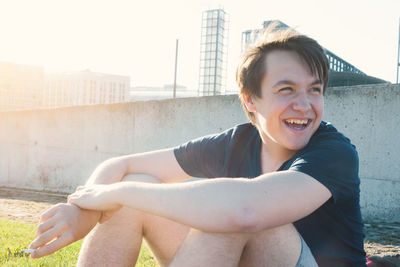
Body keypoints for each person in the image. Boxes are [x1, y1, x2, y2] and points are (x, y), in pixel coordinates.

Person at [29, 26, 366, 266]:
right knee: (140, 191)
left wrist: (117, 194)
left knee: (231, 218)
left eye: (315, 89)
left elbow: (246, 211)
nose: (305, 105)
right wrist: (82, 209)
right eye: (286, 90)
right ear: (251, 100)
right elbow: (124, 166)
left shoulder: (335, 152)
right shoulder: (236, 142)